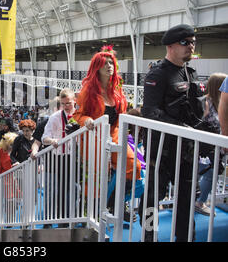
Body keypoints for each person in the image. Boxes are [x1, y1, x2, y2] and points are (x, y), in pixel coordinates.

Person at [140, 24, 207, 242]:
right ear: (170, 46)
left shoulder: (191, 73)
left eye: (193, 42)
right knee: (152, 198)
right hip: (162, 151)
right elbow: (150, 111)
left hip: (187, 150)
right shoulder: (157, 74)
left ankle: (186, 237)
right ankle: (148, 236)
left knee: (187, 200)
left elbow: (196, 112)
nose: (191, 46)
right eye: (185, 42)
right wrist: (181, 128)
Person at [72, 46, 142, 220]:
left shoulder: (117, 91)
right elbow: (77, 115)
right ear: (97, 67)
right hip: (94, 138)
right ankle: (91, 216)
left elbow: (122, 115)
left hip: (115, 134)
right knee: (95, 180)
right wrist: (86, 119)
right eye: (105, 64)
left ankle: (113, 203)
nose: (109, 66)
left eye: (111, 63)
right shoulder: (88, 90)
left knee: (134, 167)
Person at [41, 88, 77, 227]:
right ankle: (49, 221)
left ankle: (67, 221)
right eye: (63, 104)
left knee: (72, 189)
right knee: (54, 190)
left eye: (69, 103)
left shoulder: (80, 116)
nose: (67, 106)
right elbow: (45, 138)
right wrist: (53, 141)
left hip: (73, 158)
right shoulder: (55, 117)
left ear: (74, 101)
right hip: (56, 159)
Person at [195, 73, 227, 215]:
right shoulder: (206, 102)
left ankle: (199, 201)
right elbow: (200, 123)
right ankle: (198, 202)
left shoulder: (220, 103)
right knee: (205, 173)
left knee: (211, 174)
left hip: (217, 148)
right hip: (205, 148)